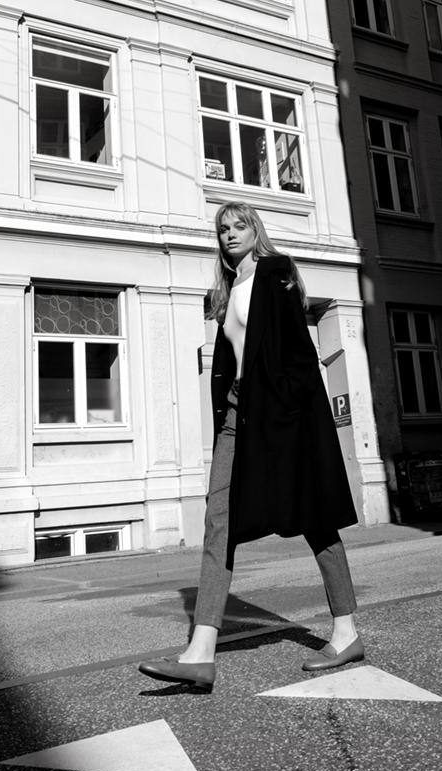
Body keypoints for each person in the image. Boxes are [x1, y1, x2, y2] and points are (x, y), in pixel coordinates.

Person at [139, 202, 362, 693]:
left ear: (255, 230)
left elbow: (298, 356)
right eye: (222, 229)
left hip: (282, 417)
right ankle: (200, 652)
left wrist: (287, 410)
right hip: (238, 419)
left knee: (313, 520)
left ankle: (346, 632)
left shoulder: (275, 273)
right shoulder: (226, 290)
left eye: (239, 226)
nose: (230, 235)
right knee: (218, 521)